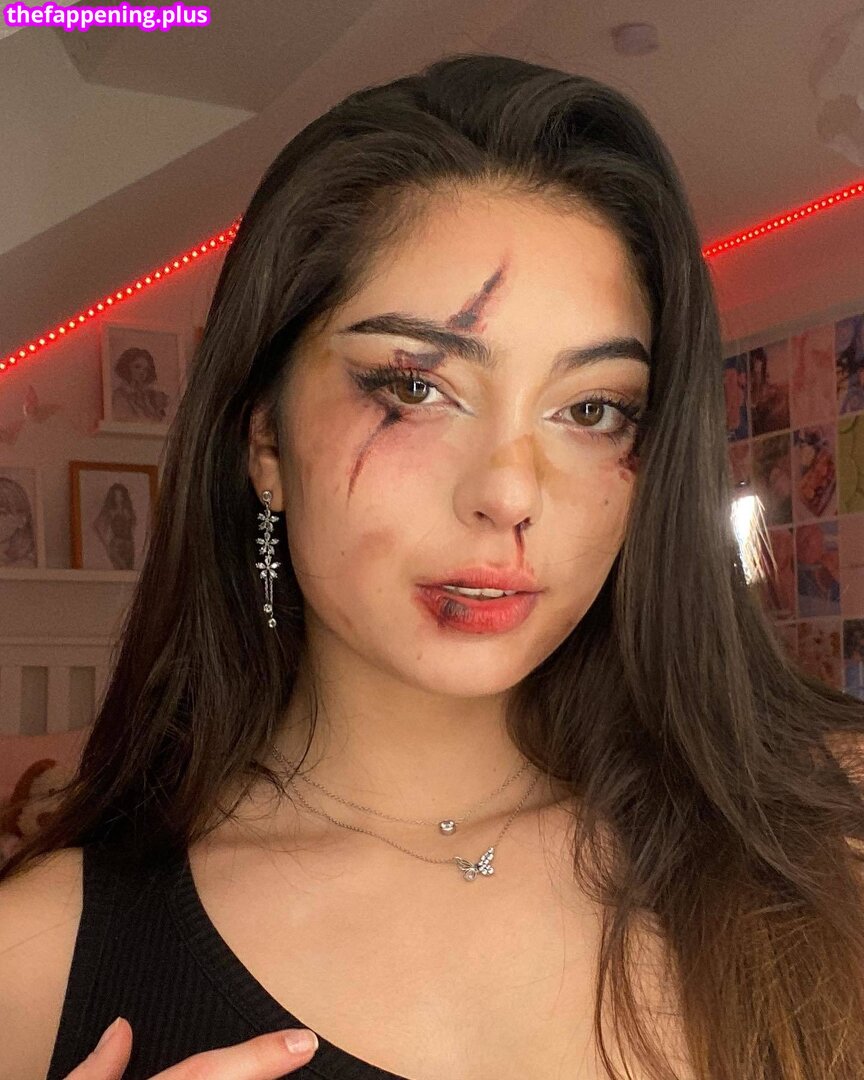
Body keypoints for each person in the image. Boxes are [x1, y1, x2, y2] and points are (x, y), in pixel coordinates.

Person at [2, 52, 864, 1080]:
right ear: (265, 440)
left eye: (593, 409)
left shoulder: (825, 846)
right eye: (416, 389)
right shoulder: (37, 960)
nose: (510, 492)